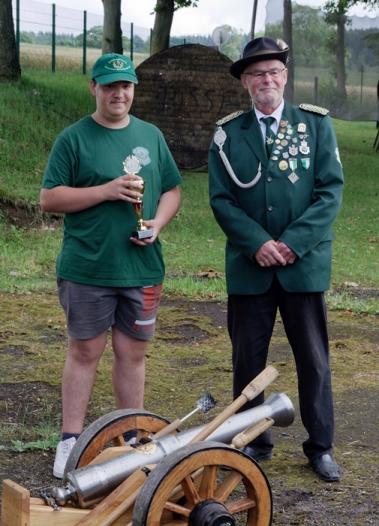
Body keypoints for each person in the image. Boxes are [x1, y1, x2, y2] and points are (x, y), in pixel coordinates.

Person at [208, 37, 344, 482]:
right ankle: (252, 441)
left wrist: (292, 243)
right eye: (256, 74)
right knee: (248, 362)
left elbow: (329, 193)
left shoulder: (316, 125)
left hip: (302, 267)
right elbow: (222, 200)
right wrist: (257, 243)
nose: (266, 80)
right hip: (251, 269)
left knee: (314, 360)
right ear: (245, 82)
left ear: (284, 77)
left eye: (273, 73)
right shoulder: (228, 134)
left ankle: (320, 446)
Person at [40, 53, 181, 478]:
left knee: (132, 354)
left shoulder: (151, 135)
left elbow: (173, 189)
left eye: (126, 86)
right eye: (109, 86)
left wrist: (157, 221)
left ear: (133, 89)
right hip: (88, 268)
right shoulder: (74, 139)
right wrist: (104, 190)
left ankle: (133, 437)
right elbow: (49, 199)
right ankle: (70, 441)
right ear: (94, 88)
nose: (119, 93)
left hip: (141, 268)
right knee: (85, 351)